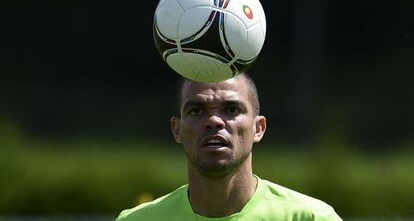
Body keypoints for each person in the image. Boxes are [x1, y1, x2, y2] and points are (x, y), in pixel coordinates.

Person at [116, 73, 342, 221]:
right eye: (196, 110)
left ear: (258, 128)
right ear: (177, 130)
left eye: (232, 109)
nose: (214, 121)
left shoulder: (310, 218)